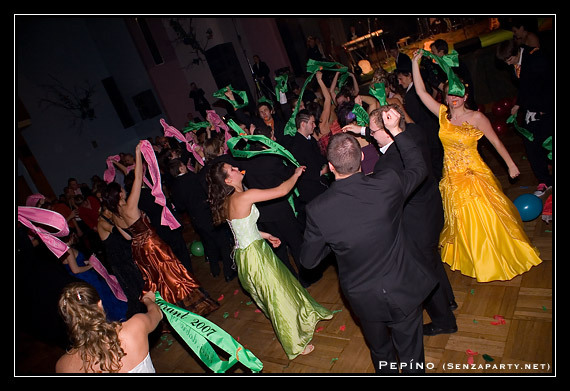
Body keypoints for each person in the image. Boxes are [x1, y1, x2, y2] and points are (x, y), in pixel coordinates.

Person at [300, 115, 437, 373]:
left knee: (380, 350)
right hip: (403, 288)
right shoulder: (388, 183)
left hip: (363, 298)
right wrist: (396, 130)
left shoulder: (317, 210)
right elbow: (418, 168)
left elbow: (308, 261)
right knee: (411, 354)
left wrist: (333, 241)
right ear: (362, 157)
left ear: (330, 167)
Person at [411, 50, 543, 282]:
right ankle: (473, 257)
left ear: (465, 96)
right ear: (445, 96)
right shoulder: (443, 115)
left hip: (474, 174)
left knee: (484, 216)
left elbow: (496, 142)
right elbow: (421, 92)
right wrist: (415, 63)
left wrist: (511, 164)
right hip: (451, 176)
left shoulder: (477, 118)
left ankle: (494, 256)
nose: (454, 99)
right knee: (462, 219)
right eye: (450, 94)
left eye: (458, 95)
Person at [343, 105, 457, 336]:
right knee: (433, 260)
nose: (371, 135)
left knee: (425, 272)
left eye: (373, 132)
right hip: (432, 210)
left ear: (386, 131)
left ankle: (444, 321)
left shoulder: (389, 164)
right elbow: (383, 132)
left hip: (416, 222)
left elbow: (384, 199)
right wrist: (361, 129)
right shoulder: (413, 133)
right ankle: (449, 301)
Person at [206, 161, 333, 360]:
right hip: (254, 256)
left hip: (247, 253)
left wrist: (265, 235)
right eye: (232, 170)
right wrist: (296, 173)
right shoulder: (245, 196)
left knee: (283, 287)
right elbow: (282, 190)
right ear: (228, 180)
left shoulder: (230, 199)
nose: (237, 169)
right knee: (277, 297)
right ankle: (295, 344)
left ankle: (305, 315)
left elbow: (241, 228)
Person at [102, 141, 219, 316]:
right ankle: (193, 305)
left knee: (160, 280)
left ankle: (174, 311)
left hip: (139, 251)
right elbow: (139, 177)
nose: (124, 190)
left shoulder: (115, 215)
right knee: (174, 273)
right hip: (152, 244)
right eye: (121, 190)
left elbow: (128, 238)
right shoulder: (130, 207)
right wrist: (138, 154)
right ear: (119, 194)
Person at [56, 282, 162, 373]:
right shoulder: (134, 328)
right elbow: (157, 313)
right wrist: (148, 299)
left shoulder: (62, 366)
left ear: (68, 320)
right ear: (99, 304)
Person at [496, 39, 553, 197]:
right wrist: (519, 104)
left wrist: (544, 109)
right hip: (531, 109)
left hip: (546, 108)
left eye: (509, 60)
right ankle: (544, 181)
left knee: (547, 144)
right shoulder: (516, 61)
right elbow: (525, 86)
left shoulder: (536, 58)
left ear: (516, 53)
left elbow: (549, 85)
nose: (508, 64)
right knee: (531, 144)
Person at [168, 158, 236, 282]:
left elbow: (180, 207)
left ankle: (215, 270)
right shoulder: (193, 178)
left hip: (196, 219)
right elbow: (207, 192)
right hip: (208, 214)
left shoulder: (174, 186)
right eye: (183, 164)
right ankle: (229, 272)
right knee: (223, 242)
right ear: (180, 168)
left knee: (209, 244)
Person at [60, 232, 128, 322]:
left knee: (100, 297)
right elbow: (75, 270)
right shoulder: (68, 250)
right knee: (103, 296)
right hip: (86, 277)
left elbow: (73, 265)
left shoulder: (61, 250)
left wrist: (87, 263)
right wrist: (90, 266)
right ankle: (117, 317)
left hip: (81, 278)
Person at [97, 205, 146, 318]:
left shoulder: (107, 220)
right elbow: (119, 232)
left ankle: (144, 310)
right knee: (133, 287)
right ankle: (139, 315)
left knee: (138, 282)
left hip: (123, 257)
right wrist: (117, 220)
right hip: (118, 260)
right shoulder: (102, 223)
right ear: (106, 210)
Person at [395, 64, 443, 180]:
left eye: (401, 79)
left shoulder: (411, 95)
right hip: (433, 130)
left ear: (410, 76)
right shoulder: (419, 88)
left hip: (428, 134)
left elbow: (414, 118)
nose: (400, 83)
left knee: (437, 167)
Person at [287, 110, 329, 228]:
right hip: (310, 191)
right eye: (312, 123)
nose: (314, 125)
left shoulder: (310, 139)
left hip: (320, 185)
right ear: (303, 125)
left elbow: (318, 157)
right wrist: (321, 172)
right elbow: (300, 171)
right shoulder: (295, 146)